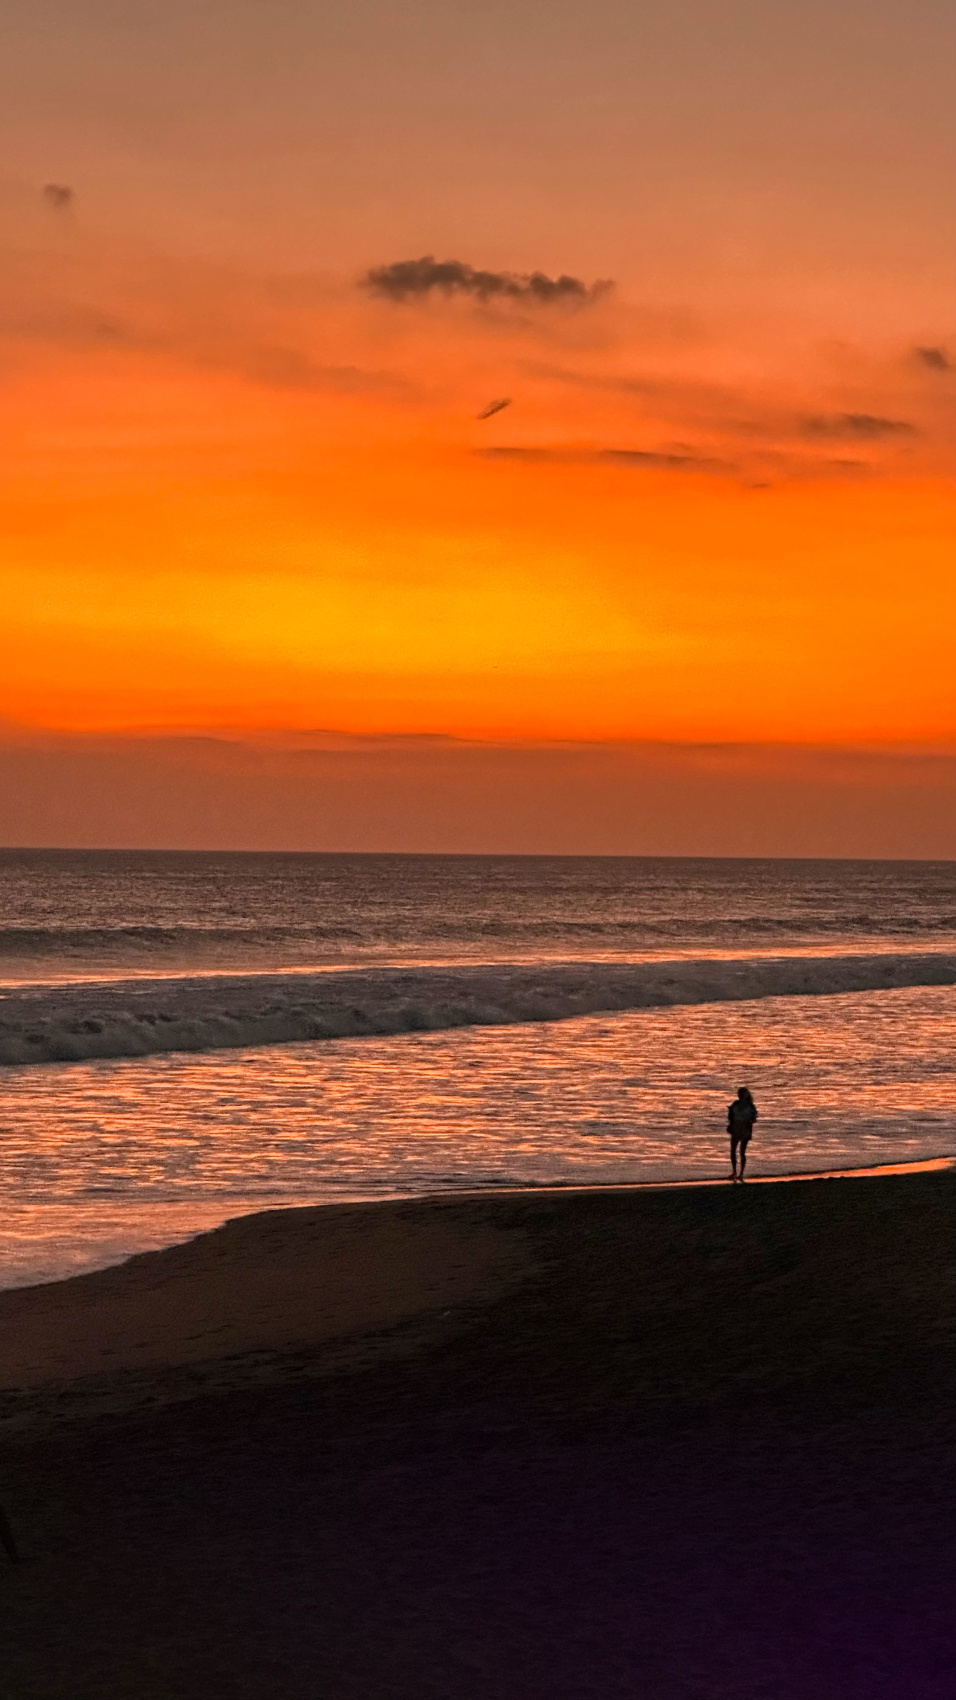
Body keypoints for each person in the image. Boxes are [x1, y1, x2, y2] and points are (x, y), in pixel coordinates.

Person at [728, 1086, 758, 1182]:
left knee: (741, 1151)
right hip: (737, 1128)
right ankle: (735, 1172)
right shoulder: (737, 1104)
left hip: (744, 1128)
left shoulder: (750, 1106)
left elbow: (754, 1119)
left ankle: (740, 1173)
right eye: (739, 1093)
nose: (740, 1095)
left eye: (741, 1093)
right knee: (734, 1151)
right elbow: (730, 1117)